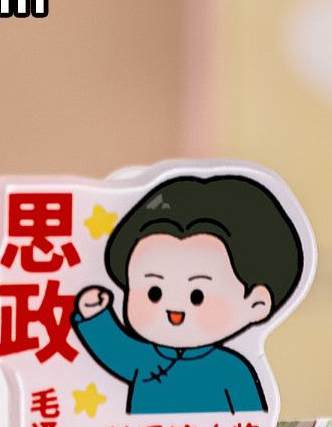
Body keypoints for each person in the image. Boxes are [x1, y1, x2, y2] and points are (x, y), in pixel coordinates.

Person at [72, 175, 304, 414]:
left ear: (256, 303)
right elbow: (114, 348)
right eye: (154, 292)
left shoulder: (232, 371)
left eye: (197, 296)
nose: (173, 308)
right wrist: (95, 315)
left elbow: (251, 424)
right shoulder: (145, 359)